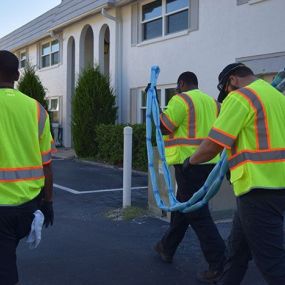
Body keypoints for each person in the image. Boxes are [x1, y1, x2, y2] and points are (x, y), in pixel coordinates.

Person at [183, 63, 285, 285]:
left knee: (273, 263)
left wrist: (190, 161)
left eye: (226, 90)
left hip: (258, 188)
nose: (227, 95)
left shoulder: (242, 97)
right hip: (276, 188)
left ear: (233, 80)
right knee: (237, 251)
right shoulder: (276, 96)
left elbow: (214, 144)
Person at [154, 71, 226, 283]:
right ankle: (166, 247)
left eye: (177, 86)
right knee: (184, 207)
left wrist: (156, 110)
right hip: (208, 162)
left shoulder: (180, 99)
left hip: (188, 165)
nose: (177, 89)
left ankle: (219, 260)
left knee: (195, 212)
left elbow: (164, 127)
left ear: (182, 83)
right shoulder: (213, 103)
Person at [0, 50, 55, 285]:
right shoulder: (37, 109)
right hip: (28, 208)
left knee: (4, 270)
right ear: (17, 75)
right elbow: (47, 164)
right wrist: (48, 203)